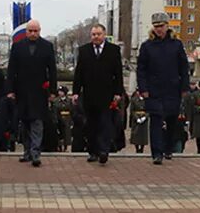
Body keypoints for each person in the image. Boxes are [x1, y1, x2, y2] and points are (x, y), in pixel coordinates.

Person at [136, 12, 190, 165]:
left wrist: (184, 87)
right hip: (153, 91)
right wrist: (143, 88)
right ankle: (157, 153)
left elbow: (183, 67)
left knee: (172, 119)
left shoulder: (176, 44)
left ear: (167, 26)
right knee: (156, 120)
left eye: (161, 26)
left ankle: (168, 148)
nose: (159, 29)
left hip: (172, 89)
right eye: (156, 26)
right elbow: (141, 69)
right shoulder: (147, 46)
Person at [6, 19, 57, 167]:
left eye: (36, 31)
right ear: (26, 31)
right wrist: (10, 90)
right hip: (22, 90)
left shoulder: (47, 46)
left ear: (40, 31)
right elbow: (11, 70)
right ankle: (27, 152)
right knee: (25, 122)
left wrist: (52, 90)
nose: (33, 33)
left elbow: (52, 71)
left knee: (37, 122)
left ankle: (35, 153)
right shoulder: (17, 47)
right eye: (30, 31)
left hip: (39, 91)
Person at [72, 23, 124, 165]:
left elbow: (118, 73)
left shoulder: (113, 50)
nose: (96, 37)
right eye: (93, 34)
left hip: (107, 94)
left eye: (98, 34)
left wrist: (118, 92)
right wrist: (75, 92)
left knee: (105, 123)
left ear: (104, 35)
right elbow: (79, 73)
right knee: (91, 124)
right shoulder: (84, 51)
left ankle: (103, 151)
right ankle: (92, 152)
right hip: (89, 94)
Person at [52, 86, 73, 152]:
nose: (60, 93)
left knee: (67, 133)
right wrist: (55, 120)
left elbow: (71, 111)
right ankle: (59, 146)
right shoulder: (56, 101)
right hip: (59, 119)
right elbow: (54, 111)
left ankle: (67, 146)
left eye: (61, 91)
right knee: (59, 134)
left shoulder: (69, 101)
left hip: (67, 119)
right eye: (59, 91)